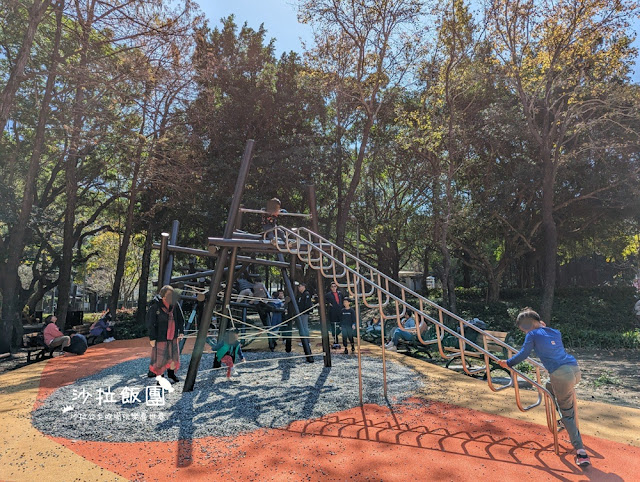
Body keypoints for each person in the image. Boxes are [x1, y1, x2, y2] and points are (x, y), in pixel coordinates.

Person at [498, 308, 590, 467]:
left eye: (522, 328)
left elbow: (523, 354)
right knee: (548, 387)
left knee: (568, 413)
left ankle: (581, 452)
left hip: (561, 375)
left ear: (526, 325)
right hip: (574, 370)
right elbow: (547, 340)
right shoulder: (555, 331)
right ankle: (564, 421)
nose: (523, 331)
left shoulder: (531, 334)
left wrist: (508, 363)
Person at [145, 285, 185, 383]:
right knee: (160, 359)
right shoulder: (155, 306)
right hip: (160, 336)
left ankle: (171, 374)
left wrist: (181, 330)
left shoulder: (175, 305)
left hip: (173, 336)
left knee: (173, 357)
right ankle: (160, 377)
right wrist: (152, 337)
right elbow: (150, 323)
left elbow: (180, 318)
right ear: (163, 295)